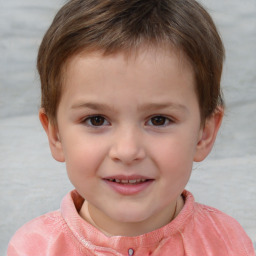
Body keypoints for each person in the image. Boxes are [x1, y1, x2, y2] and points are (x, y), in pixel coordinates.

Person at [7, 0, 255, 255]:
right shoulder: (32, 248)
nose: (127, 151)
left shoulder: (228, 244)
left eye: (158, 120)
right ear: (56, 135)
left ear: (204, 134)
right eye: (96, 120)